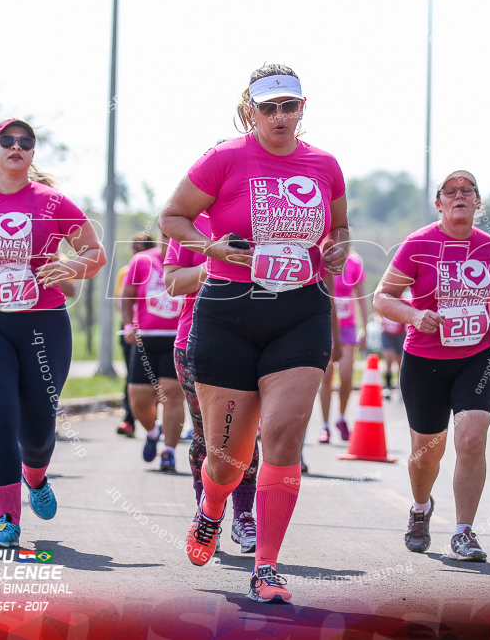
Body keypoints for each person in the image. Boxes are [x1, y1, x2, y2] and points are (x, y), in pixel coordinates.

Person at [159, 63, 348, 603]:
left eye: (290, 105)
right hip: (229, 313)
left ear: (302, 109)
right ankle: (212, 508)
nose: (281, 116)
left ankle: (266, 567)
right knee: (228, 456)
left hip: (301, 311)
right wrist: (212, 249)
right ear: (251, 111)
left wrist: (338, 248)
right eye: (270, 107)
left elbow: (339, 230)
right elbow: (172, 218)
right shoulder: (225, 158)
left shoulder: (325, 165)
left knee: (284, 437)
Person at [0, 118, 105, 547]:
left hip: (43, 325)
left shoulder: (53, 202)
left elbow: (95, 252)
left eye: (25, 142)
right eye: (7, 141)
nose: (16, 147)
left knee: (37, 430)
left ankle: (37, 476)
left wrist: (70, 266)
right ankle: (7, 521)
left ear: (32, 153)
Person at [373, 170, 490, 562]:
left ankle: (464, 532)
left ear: (478, 202)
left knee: (471, 437)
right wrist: (416, 316)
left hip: (477, 356)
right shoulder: (418, 244)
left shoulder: (489, 247)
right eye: (450, 191)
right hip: (425, 360)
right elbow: (383, 298)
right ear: (439, 204)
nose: (459, 196)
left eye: (468, 190)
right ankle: (420, 508)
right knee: (427, 453)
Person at [164, 212, 260, 554]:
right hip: (195, 342)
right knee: (207, 436)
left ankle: (245, 515)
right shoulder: (190, 225)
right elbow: (173, 283)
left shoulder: (274, 217)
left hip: (256, 341)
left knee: (248, 435)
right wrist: (214, 263)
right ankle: (206, 512)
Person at [121, 232, 186, 472]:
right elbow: (126, 296)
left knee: (171, 393)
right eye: (165, 235)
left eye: (174, 237)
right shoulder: (142, 261)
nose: (169, 241)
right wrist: (128, 325)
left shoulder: (191, 260)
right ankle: (151, 431)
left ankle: (168, 451)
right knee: (138, 399)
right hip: (144, 339)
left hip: (177, 338)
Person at [317, 250, 366, 443]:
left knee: (346, 377)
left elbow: (361, 296)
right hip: (326, 326)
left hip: (347, 328)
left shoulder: (354, 262)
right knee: (327, 377)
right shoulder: (321, 261)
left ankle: (342, 418)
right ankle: (325, 425)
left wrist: (364, 328)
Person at [115, 234, 153, 437]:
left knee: (158, 381)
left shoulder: (157, 267)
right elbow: (121, 300)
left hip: (153, 332)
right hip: (130, 331)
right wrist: (129, 322)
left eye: (140, 249)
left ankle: (154, 422)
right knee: (132, 376)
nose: (136, 253)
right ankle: (129, 420)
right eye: (134, 249)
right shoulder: (126, 271)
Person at [380, 288, 410, 400]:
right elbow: (378, 312)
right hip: (387, 334)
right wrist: (381, 321)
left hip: (400, 335)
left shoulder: (405, 302)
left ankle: (401, 388)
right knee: (388, 359)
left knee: (400, 362)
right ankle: (387, 388)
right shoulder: (385, 299)